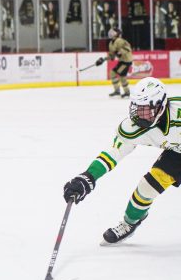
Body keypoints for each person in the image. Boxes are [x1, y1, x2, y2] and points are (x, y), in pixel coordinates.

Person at [63, 77, 181, 245]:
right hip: (177, 153)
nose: (139, 114)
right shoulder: (133, 127)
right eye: (137, 108)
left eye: (145, 109)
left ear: (160, 106)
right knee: (146, 189)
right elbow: (114, 152)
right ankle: (129, 224)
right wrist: (88, 176)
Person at [95, 27, 133, 98]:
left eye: (113, 32)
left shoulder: (120, 41)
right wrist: (103, 59)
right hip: (122, 61)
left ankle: (124, 92)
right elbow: (111, 55)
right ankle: (120, 91)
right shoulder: (110, 43)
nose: (110, 33)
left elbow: (128, 48)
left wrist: (120, 52)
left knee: (119, 74)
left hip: (126, 61)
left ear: (117, 34)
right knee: (116, 74)